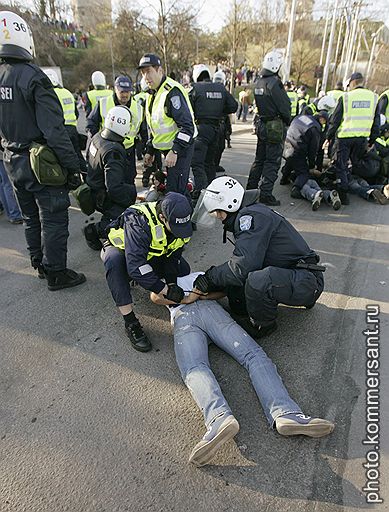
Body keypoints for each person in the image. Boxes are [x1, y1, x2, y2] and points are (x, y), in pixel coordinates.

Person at [150, 272, 335, 467]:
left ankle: (218, 418)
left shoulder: (164, 280)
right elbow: (221, 291)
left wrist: (183, 298)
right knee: (253, 356)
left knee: (195, 368)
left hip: (183, 317)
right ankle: (284, 413)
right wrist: (201, 295)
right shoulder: (200, 275)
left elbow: (155, 297)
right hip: (213, 312)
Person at [0, 10, 85, 290]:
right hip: (40, 163)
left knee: (29, 216)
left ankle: (38, 262)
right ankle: (56, 273)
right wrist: (73, 167)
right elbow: (55, 131)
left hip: (12, 161)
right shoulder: (33, 77)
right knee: (54, 217)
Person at [192, 176, 325, 337]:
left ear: (229, 205)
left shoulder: (251, 218)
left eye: (218, 212)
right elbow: (243, 264)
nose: (218, 217)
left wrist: (210, 277)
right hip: (293, 272)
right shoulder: (249, 211)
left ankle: (263, 325)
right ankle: (263, 304)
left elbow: (240, 268)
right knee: (236, 295)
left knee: (257, 280)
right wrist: (216, 283)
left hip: (308, 280)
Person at [102, 192, 193, 352]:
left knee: (183, 269)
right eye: (177, 227)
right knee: (114, 261)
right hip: (122, 251)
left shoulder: (180, 223)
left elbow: (173, 256)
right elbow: (136, 266)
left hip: (149, 253)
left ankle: (147, 279)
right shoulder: (139, 221)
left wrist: (171, 283)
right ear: (162, 217)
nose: (181, 231)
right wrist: (164, 290)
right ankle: (130, 323)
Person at [138, 53, 197, 195]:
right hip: (168, 149)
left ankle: (183, 216)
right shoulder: (152, 93)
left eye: (149, 72)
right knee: (169, 189)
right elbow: (157, 127)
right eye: (143, 73)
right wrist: (150, 150)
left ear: (159, 70)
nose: (146, 77)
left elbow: (187, 127)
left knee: (176, 191)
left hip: (180, 148)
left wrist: (175, 150)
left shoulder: (171, 92)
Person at [84, 106, 137, 250]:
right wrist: (132, 196)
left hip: (93, 188)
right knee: (128, 214)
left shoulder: (98, 136)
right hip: (101, 196)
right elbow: (114, 188)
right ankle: (97, 230)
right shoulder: (113, 151)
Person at [325, 72, 380, 205]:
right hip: (362, 138)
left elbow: (335, 120)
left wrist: (328, 137)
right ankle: (359, 187)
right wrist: (371, 141)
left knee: (341, 165)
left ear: (353, 82)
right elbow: (376, 122)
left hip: (345, 137)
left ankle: (343, 193)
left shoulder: (346, 97)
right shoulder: (374, 97)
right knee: (353, 164)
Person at [246, 51, 291, 206]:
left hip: (263, 124)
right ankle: (265, 193)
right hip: (274, 126)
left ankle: (250, 189)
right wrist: (287, 120)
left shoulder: (259, 82)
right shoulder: (274, 83)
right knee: (272, 162)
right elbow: (285, 107)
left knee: (259, 160)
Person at [86, 75, 144, 192]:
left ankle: (129, 204)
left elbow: (143, 131)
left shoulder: (138, 108)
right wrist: (99, 143)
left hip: (128, 151)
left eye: (128, 92)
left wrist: (147, 151)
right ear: (115, 89)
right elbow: (91, 124)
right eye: (122, 91)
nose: (125, 95)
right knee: (111, 183)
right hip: (109, 152)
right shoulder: (103, 103)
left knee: (129, 180)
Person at [189, 64, 237, 199]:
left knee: (197, 163)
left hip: (200, 130)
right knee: (210, 163)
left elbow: (188, 109)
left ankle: (201, 192)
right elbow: (233, 106)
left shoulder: (195, 88)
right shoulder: (220, 87)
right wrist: (219, 110)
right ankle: (211, 191)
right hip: (216, 130)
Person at [281, 111, 341, 210]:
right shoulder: (315, 128)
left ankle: (284, 179)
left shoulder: (302, 117)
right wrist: (312, 167)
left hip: (286, 146)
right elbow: (313, 151)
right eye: (324, 122)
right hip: (297, 150)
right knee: (304, 174)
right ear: (322, 119)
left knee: (291, 162)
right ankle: (296, 189)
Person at [44, 69, 87, 175]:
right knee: (77, 155)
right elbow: (76, 113)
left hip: (59, 131)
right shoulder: (67, 92)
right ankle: (86, 177)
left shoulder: (48, 94)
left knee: (62, 159)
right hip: (72, 129)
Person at [0, 146, 22, 223]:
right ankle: (15, 214)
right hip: (3, 154)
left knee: (3, 184)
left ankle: (11, 214)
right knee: (7, 184)